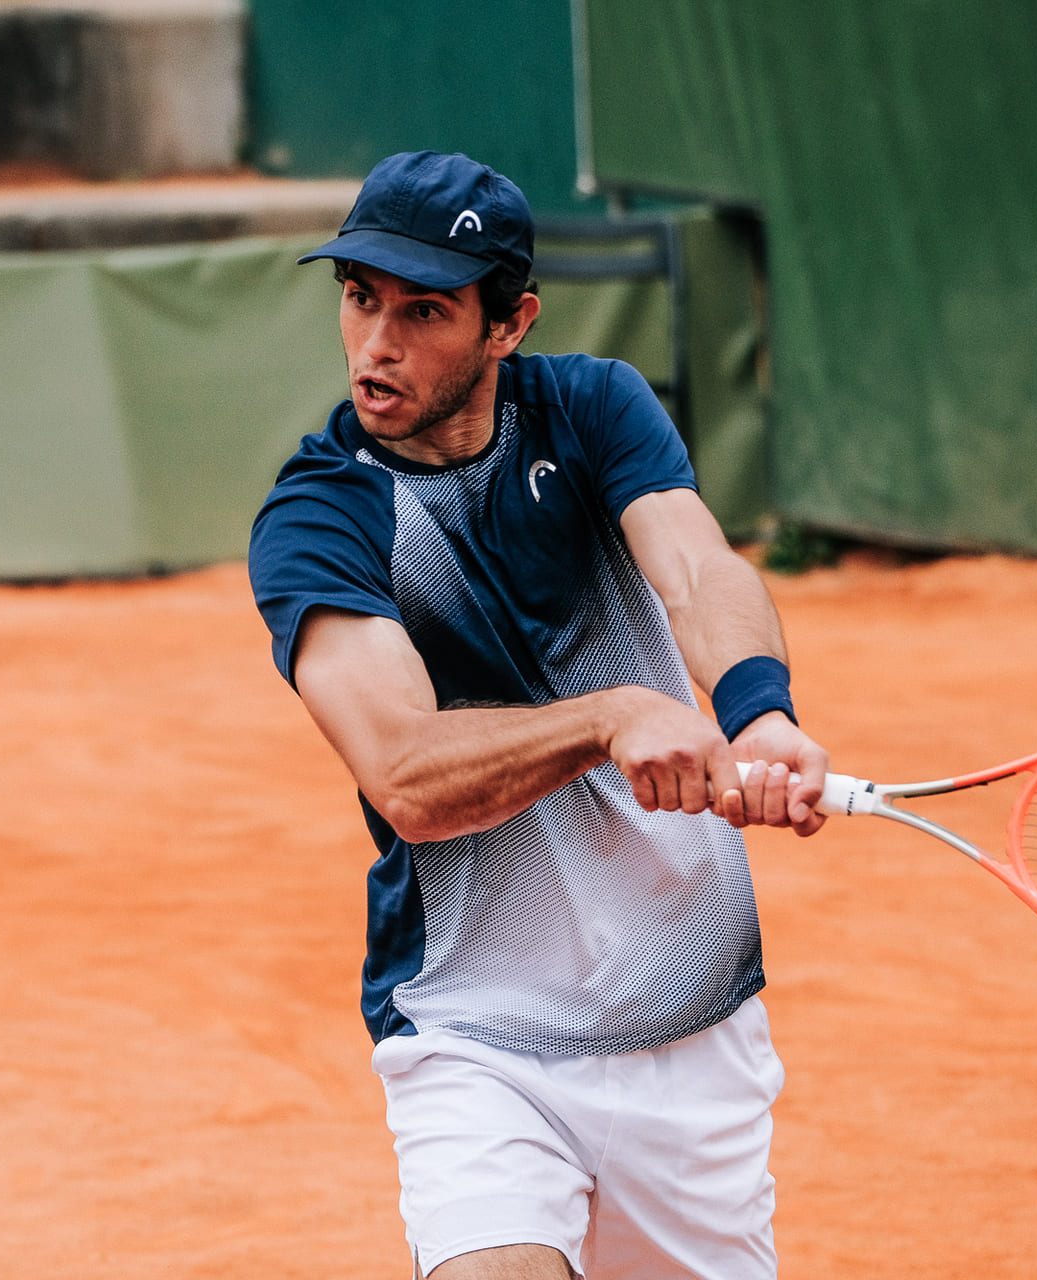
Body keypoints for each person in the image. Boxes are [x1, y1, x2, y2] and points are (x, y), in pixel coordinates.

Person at [247, 151, 830, 1280]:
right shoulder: (322, 512)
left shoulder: (595, 407)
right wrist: (607, 715)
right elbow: (406, 773)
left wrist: (757, 710)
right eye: (361, 297)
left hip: (692, 1025)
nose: (379, 342)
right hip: (476, 1031)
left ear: (510, 324)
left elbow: (696, 567)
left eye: (424, 310)